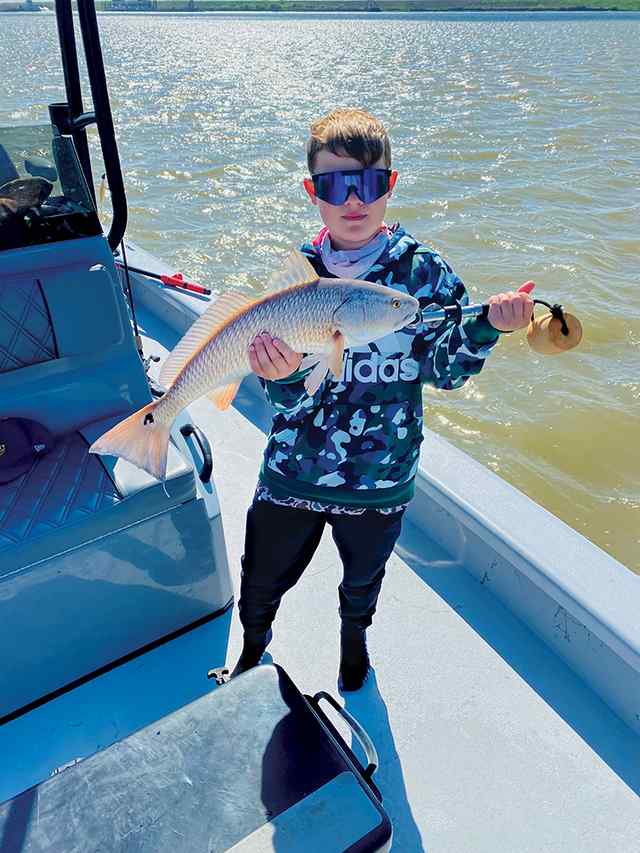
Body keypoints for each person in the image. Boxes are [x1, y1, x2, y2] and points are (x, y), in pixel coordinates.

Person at [231, 108, 534, 690]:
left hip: (381, 476)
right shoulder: (295, 277)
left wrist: (487, 327)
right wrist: (282, 377)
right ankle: (251, 647)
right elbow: (284, 399)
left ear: (389, 184)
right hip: (294, 470)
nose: (353, 200)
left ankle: (355, 644)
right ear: (312, 192)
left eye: (368, 183)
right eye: (334, 185)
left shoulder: (425, 275)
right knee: (261, 576)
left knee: (362, 581)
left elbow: (444, 370)